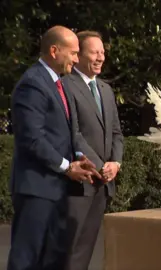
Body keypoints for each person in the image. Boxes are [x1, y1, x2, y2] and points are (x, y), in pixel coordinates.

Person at [7, 25, 101, 270]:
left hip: (56, 190)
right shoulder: (33, 84)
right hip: (37, 190)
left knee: (51, 260)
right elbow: (32, 138)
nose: (76, 59)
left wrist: (79, 157)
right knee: (27, 260)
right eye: (73, 53)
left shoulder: (60, 84)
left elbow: (66, 133)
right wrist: (67, 166)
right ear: (53, 50)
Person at [62, 30, 124, 270]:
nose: (100, 57)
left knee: (85, 252)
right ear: (79, 55)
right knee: (68, 251)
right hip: (78, 185)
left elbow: (117, 133)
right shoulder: (66, 86)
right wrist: (100, 166)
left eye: (103, 52)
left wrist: (115, 163)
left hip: (102, 185)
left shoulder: (106, 90)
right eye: (94, 52)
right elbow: (73, 134)